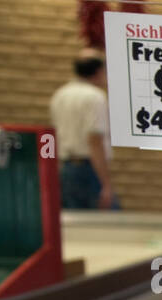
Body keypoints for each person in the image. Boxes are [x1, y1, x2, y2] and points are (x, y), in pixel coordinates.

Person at [50, 48, 118, 210]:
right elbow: (94, 140)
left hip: (66, 168)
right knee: (104, 223)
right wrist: (106, 184)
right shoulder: (94, 97)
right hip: (88, 170)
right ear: (99, 71)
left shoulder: (60, 95)